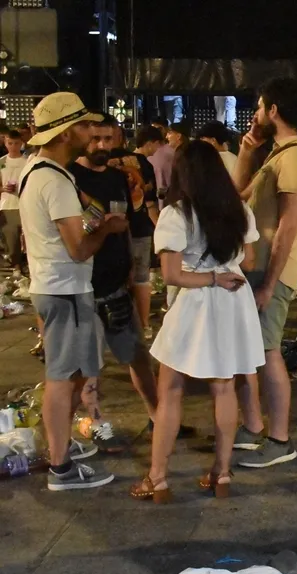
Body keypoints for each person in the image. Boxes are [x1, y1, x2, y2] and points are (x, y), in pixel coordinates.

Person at [131, 141, 264, 503]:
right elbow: (249, 262)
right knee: (224, 388)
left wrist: (210, 276)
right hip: (234, 300)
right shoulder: (239, 210)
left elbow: (172, 275)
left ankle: (158, 478)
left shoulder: (176, 215)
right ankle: (222, 473)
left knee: (171, 390)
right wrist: (224, 269)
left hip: (197, 302)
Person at [21, 92, 123, 490]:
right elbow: (78, 249)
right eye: (83, 125)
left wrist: (95, 219)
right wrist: (106, 229)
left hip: (55, 286)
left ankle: (61, 447)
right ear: (65, 133)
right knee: (61, 379)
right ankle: (61, 468)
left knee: (72, 375)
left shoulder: (38, 170)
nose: (90, 132)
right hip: (63, 288)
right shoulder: (55, 180)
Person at [232, 77, 297, 468]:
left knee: (267, 352)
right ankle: (252, 428)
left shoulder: (295, 157)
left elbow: (288, 226)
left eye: (259, 106)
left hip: (273, 270)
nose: (255, 115)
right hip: (258, 266)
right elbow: (238, 197)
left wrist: (269, 284)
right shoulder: (277, 154)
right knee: (248, 351)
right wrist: (246, 151)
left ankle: (280, 440)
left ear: (274, 110)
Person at [69, 115, 161, 449]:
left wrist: (132, 269)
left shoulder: (119, 177)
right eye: (95, 139)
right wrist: (102, 224)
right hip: (83, 287)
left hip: (116, 285)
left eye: (108, 139)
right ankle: (94, 422)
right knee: (87, 366)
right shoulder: (69, 177)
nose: (102, 146)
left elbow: (131, 226)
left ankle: (159, 417)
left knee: (137, 355)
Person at [108, 121, 160, 337]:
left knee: (115, 280)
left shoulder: (92, 165)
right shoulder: (141, 162)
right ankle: (143, 325)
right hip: (139, 226)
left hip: (109, 230)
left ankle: (118, 327)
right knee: (141, 278)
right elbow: (150, 200)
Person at [1, 128, 27, 267]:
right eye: (10, 143)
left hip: (25, 204)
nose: (13, 146)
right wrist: (3, 189)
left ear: (21, 143)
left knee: (28, 239)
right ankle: (16, 268)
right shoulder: (1, 162)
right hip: (7, 205)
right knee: (12, 240)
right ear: (5, 143)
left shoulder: (27, 161)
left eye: (16, 143)